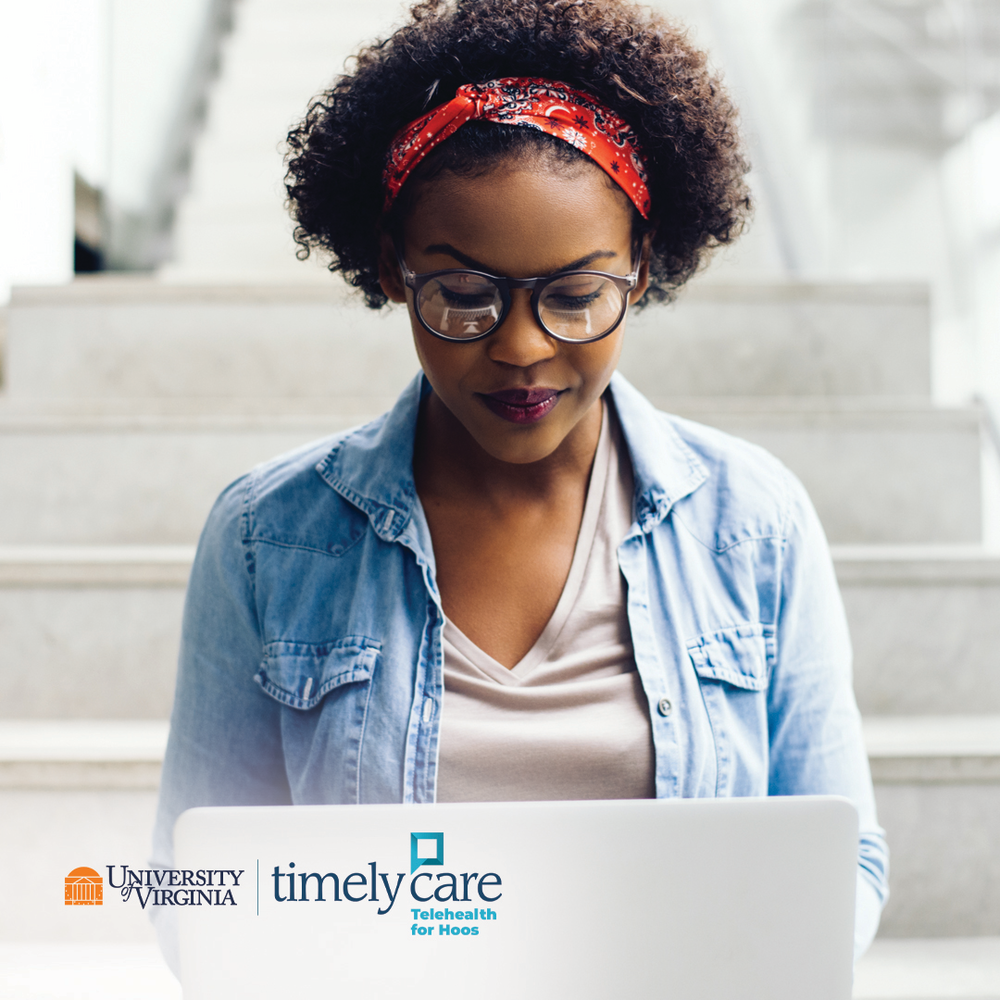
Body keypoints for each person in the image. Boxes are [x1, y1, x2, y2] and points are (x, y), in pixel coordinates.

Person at [152, 0, 888, 971]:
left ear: (640, 267)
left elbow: (846, 863)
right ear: (392, 269)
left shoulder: (751, 523)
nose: (523, 347)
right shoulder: (267, 537)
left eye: (577, 295)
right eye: (464, 296)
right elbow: (194, 886)